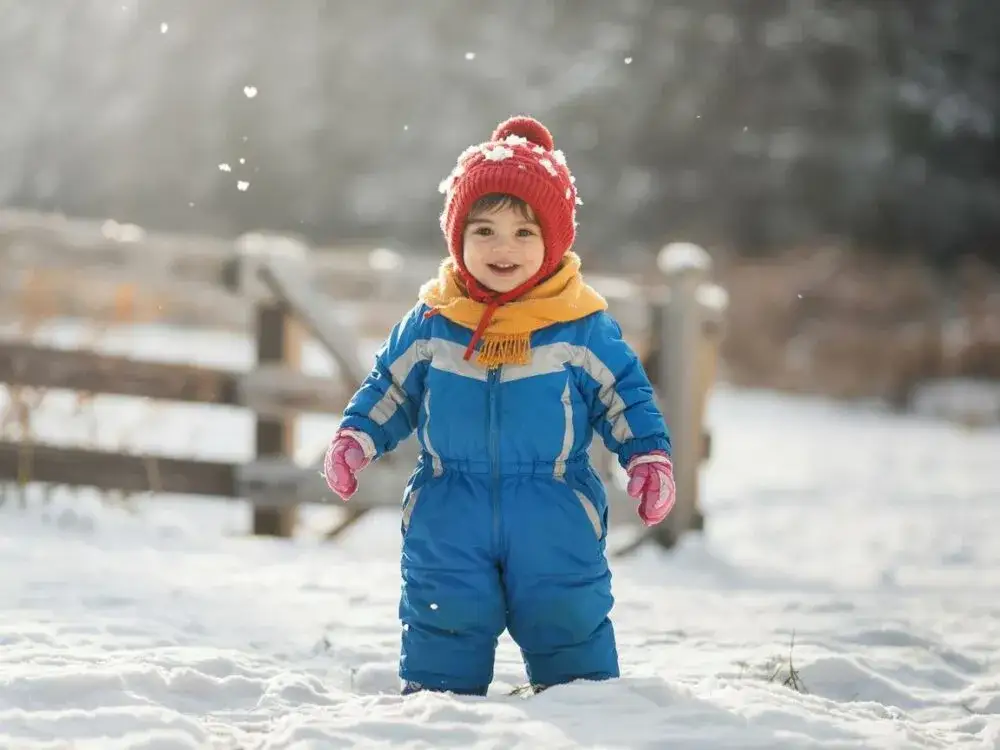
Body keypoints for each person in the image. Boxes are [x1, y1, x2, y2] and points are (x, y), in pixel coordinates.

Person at [323, 115, 675, 697]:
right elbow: (390, 385)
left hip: (554, 508)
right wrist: (355, 438)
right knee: (443, 625)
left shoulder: (580, 326)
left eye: (523, 233)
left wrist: (649, 457)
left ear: (554, 241)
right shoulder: (434, 321)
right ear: (456, 236)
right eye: (483, 230)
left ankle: (584, 718)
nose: (502, 248)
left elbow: (625, 395)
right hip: (447, 509)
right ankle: (438, 725)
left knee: (570, 628)